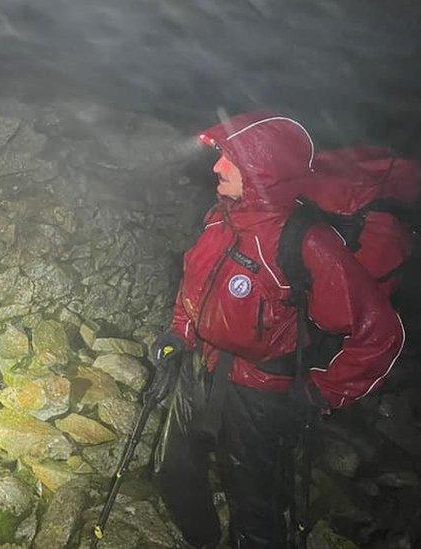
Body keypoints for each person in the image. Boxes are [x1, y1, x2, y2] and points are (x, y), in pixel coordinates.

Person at [151, 112, 405, 547]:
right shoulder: (220, 217)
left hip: (262, 391)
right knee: (172, 470)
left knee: (256, 505)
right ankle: (202, 539)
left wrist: (321, 393)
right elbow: (195, 283)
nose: (216, 166)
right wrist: (180, 333)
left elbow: (380, 333)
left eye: (229, 158)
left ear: (261, 173)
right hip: (201, 367)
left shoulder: (306, 242)